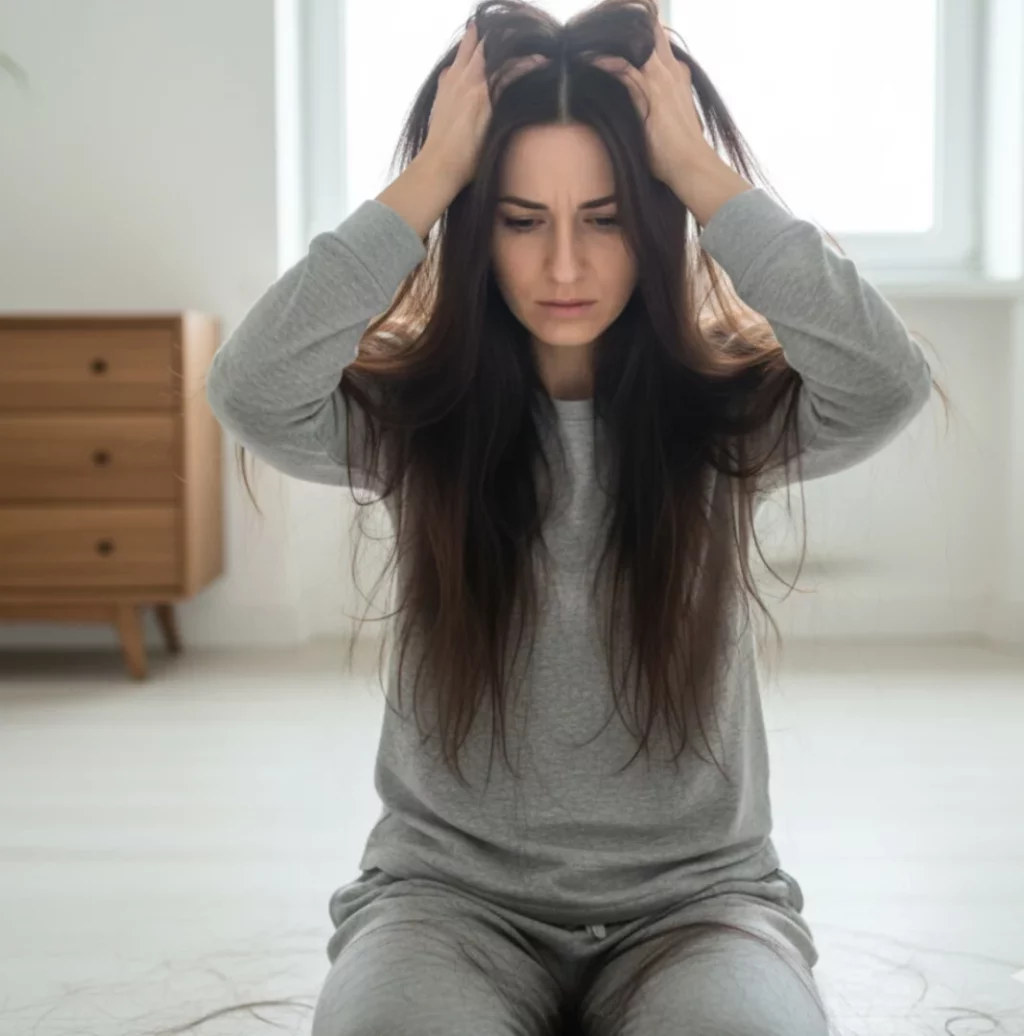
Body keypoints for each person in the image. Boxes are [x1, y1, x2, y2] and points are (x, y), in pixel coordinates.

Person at [204, 2, 945, 1034]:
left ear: (651, 222)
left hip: (699, 909)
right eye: (519, 219)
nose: (563, 266)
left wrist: (700, 174)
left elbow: (885, 380)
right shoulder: (423, 425)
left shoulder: (719, 420)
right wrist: (426, 180)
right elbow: (250, 389)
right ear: (475, 224)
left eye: (603, 218)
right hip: (445, 905)